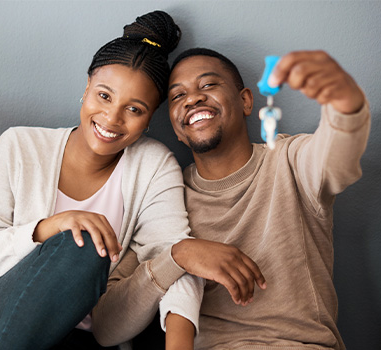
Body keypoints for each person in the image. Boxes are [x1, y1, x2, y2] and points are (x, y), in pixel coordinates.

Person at [0, 10, 195, 350]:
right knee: (82, 239)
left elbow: (174, 256)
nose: (111, 118)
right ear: (86, 88)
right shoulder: (20, 145)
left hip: (77, 335)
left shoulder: (154, 166)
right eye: (104, 95)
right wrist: (51, 227)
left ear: (149, 119)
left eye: (134, 109)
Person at [158, 48, 370, 349]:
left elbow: (338, 158)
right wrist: (179, 255)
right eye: (178, 96)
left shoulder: (290, 160)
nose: (193, 99)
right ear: (175, 128)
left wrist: (344, 102)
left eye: (208, 85)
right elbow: (113, 313)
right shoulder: (166, 196)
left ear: (245, 100)